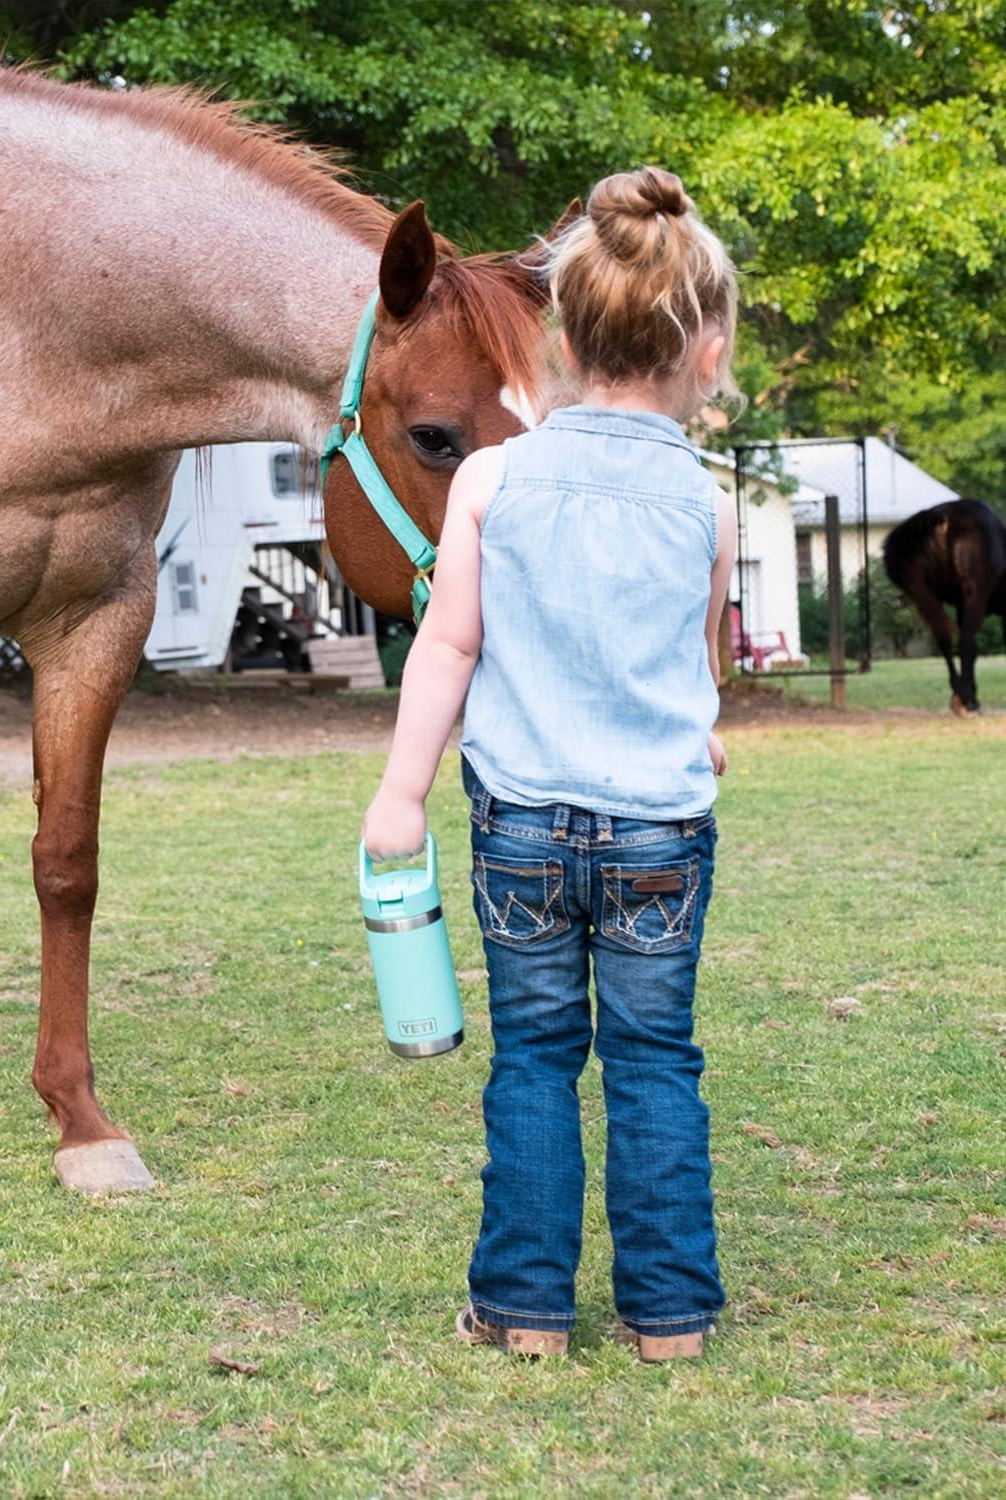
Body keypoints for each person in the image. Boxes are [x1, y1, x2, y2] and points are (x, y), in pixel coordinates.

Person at [362, 166, 738, 1363]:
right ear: (710, 353)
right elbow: (694, 654)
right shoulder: (708, 502)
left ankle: (524, 1310)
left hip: (521, 826)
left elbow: (449, 646)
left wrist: (400, 793)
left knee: (533, 1060)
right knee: (655, 1062)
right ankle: (670, 1317)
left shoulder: (489, 478)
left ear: (561, 342)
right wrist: (695, 728)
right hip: (660, 833)